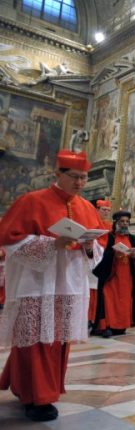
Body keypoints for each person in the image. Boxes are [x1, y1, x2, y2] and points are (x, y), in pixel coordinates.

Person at [0, 150, 103, 422]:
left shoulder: (87, 207)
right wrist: (51, 244)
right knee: (35, 341)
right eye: (75, 177)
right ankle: (37, 398)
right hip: (37, 284)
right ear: (58, 174)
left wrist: (90, 246)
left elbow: (97, 250)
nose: (80, 183)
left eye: (84, 178)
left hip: (69, 284)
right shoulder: (32, 201)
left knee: (57, 341)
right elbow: (10, 241)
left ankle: (44, 389)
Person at [91, 210, 135, 338]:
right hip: (111, 276)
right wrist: (113, 255)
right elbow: (100, 254)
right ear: (116, 223)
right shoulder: (109, 237)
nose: (125, 224)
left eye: (127, 222)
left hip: (127, 277)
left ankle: (121, 325)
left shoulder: (132, 239)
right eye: (122, 221)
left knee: (125, 301)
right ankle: (107, 326)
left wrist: (134, 256)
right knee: (109, 300)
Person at [88, 199, 113, 326]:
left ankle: (97, 318)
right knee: (90, 289)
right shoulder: (91, 222)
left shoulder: (110, 226)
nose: (106, 213)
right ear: (97, 210)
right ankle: (88, 317)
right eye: (104, 210)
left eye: (108, 211)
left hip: (105, 261)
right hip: (91, 260)